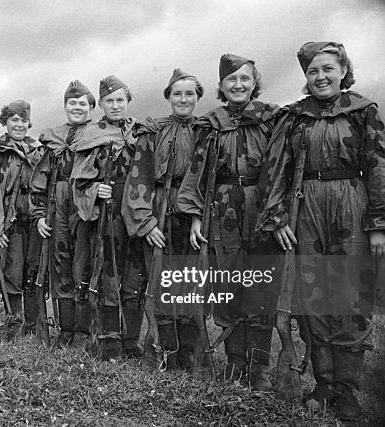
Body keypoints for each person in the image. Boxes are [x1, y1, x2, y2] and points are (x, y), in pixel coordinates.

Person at [256, 42, 385, 421]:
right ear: (306, 78)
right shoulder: (294, 118)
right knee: (313, 296)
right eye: (313, 71)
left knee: (351, 297)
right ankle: (323, 383)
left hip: (352, 205)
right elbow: (276, 169)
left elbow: (382, 167)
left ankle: (347, 390)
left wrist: (381, 225)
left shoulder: (363, 112)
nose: (320, 77)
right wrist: (279, 217)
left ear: (343, 70)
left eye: (327, 69)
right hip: (306, 209)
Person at [177, 55, 281, 385]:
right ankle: (235, 361)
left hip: (263, 206)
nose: (238, 85)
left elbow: (282, 168)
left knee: (262, 286)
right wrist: (196, 217)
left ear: (255, 83)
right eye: (231, 80)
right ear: (221, 87)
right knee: (227, 285)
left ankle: (259, 367)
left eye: (244, 79)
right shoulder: (210, 124)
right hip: (222, 210)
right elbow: (196, 171)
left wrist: (279, 214)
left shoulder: (273, 120)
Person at [123, 68, 204, 370]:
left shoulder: (206, 131)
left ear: (197, 97)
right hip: (157, 213)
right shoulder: (153, 131)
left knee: (190, 285)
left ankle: (189, 355)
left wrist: (198, 216)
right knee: (161, 285)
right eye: (177, 93)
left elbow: (208, 177)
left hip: (192, 216)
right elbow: (138, 177)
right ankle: (164, 352)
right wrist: (146, 223)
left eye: (189, 93)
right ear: (169, 97)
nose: (183, 99)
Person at [71, 75, 146, 360]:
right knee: (108, 274)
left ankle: (131, 340)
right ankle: (109, 340)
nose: (116, 106)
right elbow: (78, 180)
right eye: (109, 101)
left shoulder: (141, 132)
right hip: (109, 212)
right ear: (101, 104)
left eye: (120, 100)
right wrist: (94, 189)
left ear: (128, 101)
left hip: (138, 210)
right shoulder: (92, 134)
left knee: (135, 274)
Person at [30, 80, 96, 345]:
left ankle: (83, 331)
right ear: (65, 106)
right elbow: (39, 180)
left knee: (85, 265)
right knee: (61, 267)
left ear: (91, 107)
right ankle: (65, 330)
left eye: (83, 104)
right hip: (56, 207)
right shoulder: (52, 139)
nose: (77, 108)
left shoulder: (99, 135)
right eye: (72, 103)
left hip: (85, 205)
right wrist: (39, 215)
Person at [0, 100, 43, 340]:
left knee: (33, 268)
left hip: (34, 217)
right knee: (12, 270)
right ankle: (14, 322)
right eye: (14, 120)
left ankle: (34, 325)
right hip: (9, 220)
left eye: (23, 120)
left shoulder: (38, 149)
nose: (19, 125)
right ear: (5, 122)